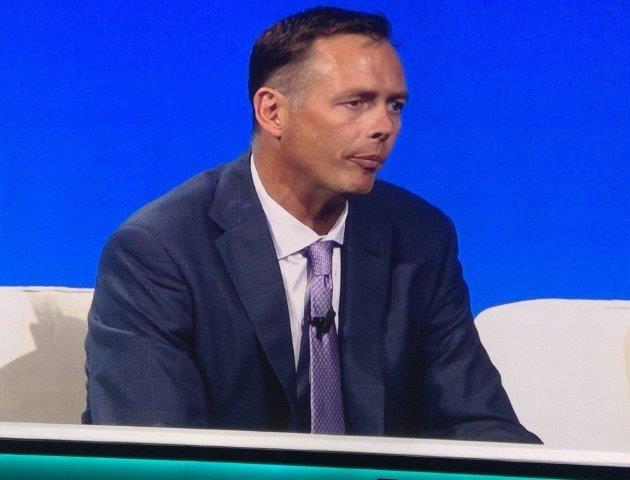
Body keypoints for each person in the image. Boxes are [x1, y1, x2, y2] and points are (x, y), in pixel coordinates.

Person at [83, 6, 541, 443]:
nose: (384, 126)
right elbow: (155, 449)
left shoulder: (420, 238)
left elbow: (478, 424)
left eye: (395, 105)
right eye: (356, 102)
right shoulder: (160, 250)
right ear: (272, 112)